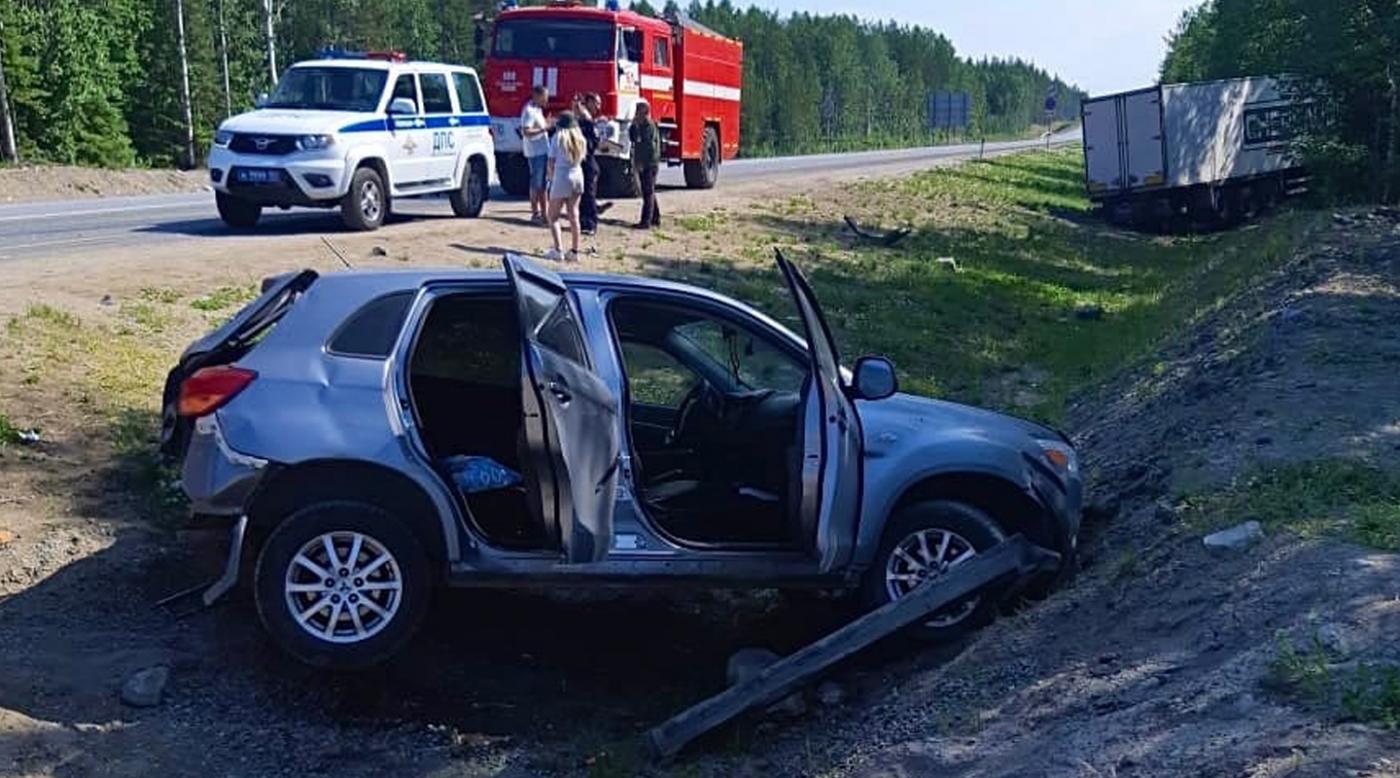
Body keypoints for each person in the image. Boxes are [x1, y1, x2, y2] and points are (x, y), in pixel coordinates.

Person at [544, 111, 587, 261]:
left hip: (562, 176)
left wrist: (550, 178)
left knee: (553, 216)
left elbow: (551, 162)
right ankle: (575, 251)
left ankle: (558, 250)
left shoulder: (558, 138)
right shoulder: (580, 139)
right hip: (577, 176)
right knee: (574, 215)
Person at [520, 85, 551, 224]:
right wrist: (544, 129)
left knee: (543, 184)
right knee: (537, 184)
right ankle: (535, 213)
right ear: (537, 96)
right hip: (535, 153)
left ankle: (545, 213)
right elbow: (526, 132)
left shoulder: (538, 110)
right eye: (545, 97)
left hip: (543, 151)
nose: (547, 100)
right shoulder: (529, 111)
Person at [629, 101, 661, 229]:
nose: (636, 114)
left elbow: (650, 148)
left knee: (647, 193)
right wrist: (633, 124)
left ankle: (645, 221)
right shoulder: (640, 126)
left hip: (649, 164)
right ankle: (655, 217)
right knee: (649, 191)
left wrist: (643, 163)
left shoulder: (649, 126)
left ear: (644, 113)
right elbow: (633, 138)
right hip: (644, 162)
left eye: (638, 112)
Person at [573, 93, 601, 236]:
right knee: (582, 195)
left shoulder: (589, 123)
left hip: (588, 164)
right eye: (596, 103)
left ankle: (591, 223)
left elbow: (592, 144)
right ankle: (584, 222)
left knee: (589, 195)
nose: (598, 107)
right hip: (581, 165)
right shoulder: (581, 122)